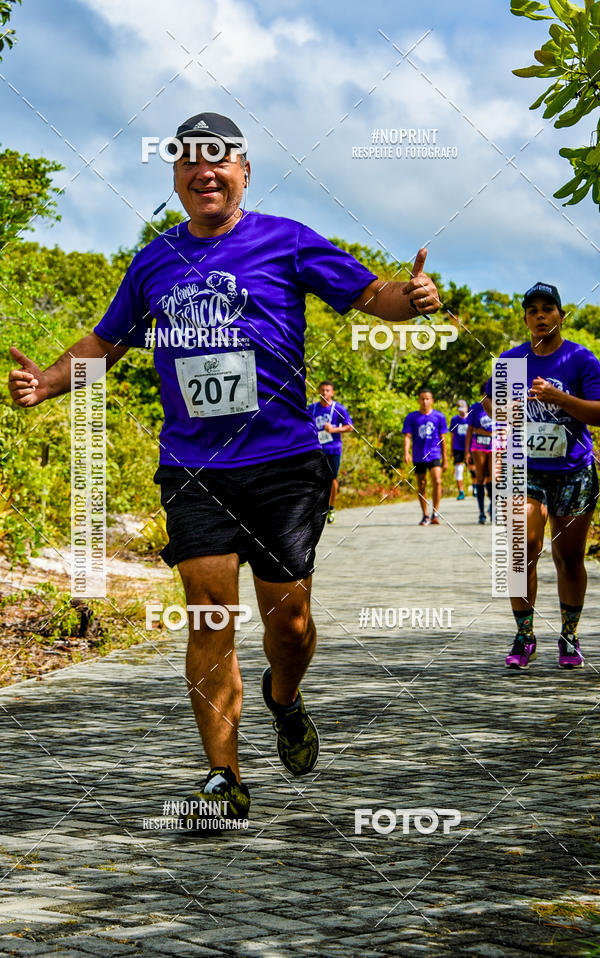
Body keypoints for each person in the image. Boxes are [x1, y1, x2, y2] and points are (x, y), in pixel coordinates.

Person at [7, 111, 440, 826]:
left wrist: (411, 299)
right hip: (193, 467)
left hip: (283, 464)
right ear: (177, 176)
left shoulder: (286, 240)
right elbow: (106, 342)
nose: (204, 172)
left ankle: (283, 697)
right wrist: (49, 381)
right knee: (209, 615)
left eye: (219, 161)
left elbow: (370, 295)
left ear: (243, 171)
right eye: (189, 162)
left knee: (290, 622)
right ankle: (223, 779)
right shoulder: (153, 261)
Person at [483, 282, 600, 670]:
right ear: (526, 319)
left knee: (568, 558)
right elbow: (487, 399)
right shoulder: (512, 360)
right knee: (519, 551)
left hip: (573, 470)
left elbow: (598, 413)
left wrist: (561, 399)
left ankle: (569, 636)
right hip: (525, 467)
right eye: (532, 310)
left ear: (561, 316)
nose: (539, 315)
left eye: (547, 308)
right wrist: (505, 411)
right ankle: (525, 635)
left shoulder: (582, 360)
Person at [308, 381, 353, 524]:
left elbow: (349, 427)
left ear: (332, 392)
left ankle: (331, 507)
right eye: (322, 390)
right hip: (316, 449)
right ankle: (316, 508)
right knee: (315, 480)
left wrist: (334, 429)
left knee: (332, 478)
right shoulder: (312, 408)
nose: (325, 393)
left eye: (327, 390)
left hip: (333, 449)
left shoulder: (339, 408)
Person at [402, 388, 448, 525]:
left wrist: (445, 458)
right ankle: (425, 514)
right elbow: (407, 436)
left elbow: (442, 438)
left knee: (437, 481)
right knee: (421, 484)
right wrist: (406, 452)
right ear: (418, 400)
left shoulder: (439, 417)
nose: (425, 401)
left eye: (427, 398)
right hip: (418, 455)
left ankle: (435, 513)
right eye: (422, 398)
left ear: (432, 400)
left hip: (434, 453)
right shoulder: (412, 417)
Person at [465, 389, 496, 524]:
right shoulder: (475, 407)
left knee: (495, 476)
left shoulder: (501, 405)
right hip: (479, 444)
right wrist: (467, 451)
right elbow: (470, 429)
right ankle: (482, 512)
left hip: (495, 443)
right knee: (480, 476)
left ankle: (492, 507)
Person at [449, 399, 470, 499]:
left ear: (467, 408)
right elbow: (452, 435)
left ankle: (476, 487)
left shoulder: (470, 418)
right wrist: (451, 450)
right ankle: (461, 491)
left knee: (473, 468)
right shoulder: (454, 420)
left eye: (463, 408)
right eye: (459, 409)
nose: (461, 411)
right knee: (458, 469)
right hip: (458, 447)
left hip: (470, 447)